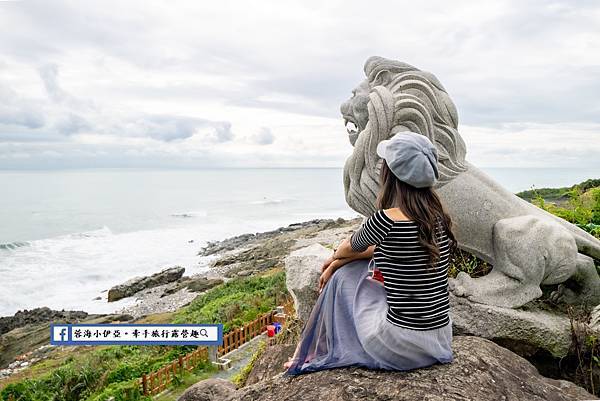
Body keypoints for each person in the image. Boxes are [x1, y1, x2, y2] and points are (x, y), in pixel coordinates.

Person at [283, 131, 458, 375]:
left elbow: (347, 248)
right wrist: (338, 262)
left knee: (344, 277)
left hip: (400, 344)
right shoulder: (438, 219)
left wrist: (335, 261)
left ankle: (310, 350)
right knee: (352, 268)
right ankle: (310, 349)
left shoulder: (384, 220)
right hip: (438, 339)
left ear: (391, 174)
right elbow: (380, 250)